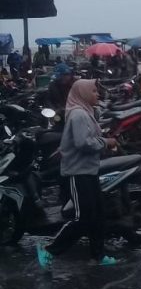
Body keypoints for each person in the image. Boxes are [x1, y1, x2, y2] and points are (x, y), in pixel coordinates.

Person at [36, 80, 119, 268]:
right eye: (93, 90)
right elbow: (84, 143)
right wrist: (106, 142)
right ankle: (49, 250)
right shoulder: (79, 115)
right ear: (82, 93)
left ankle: (98, 256)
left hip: (88, 170)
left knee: (97, 214)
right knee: (83, 217)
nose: (97, 94)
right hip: (77, 172)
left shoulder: (85, 112)